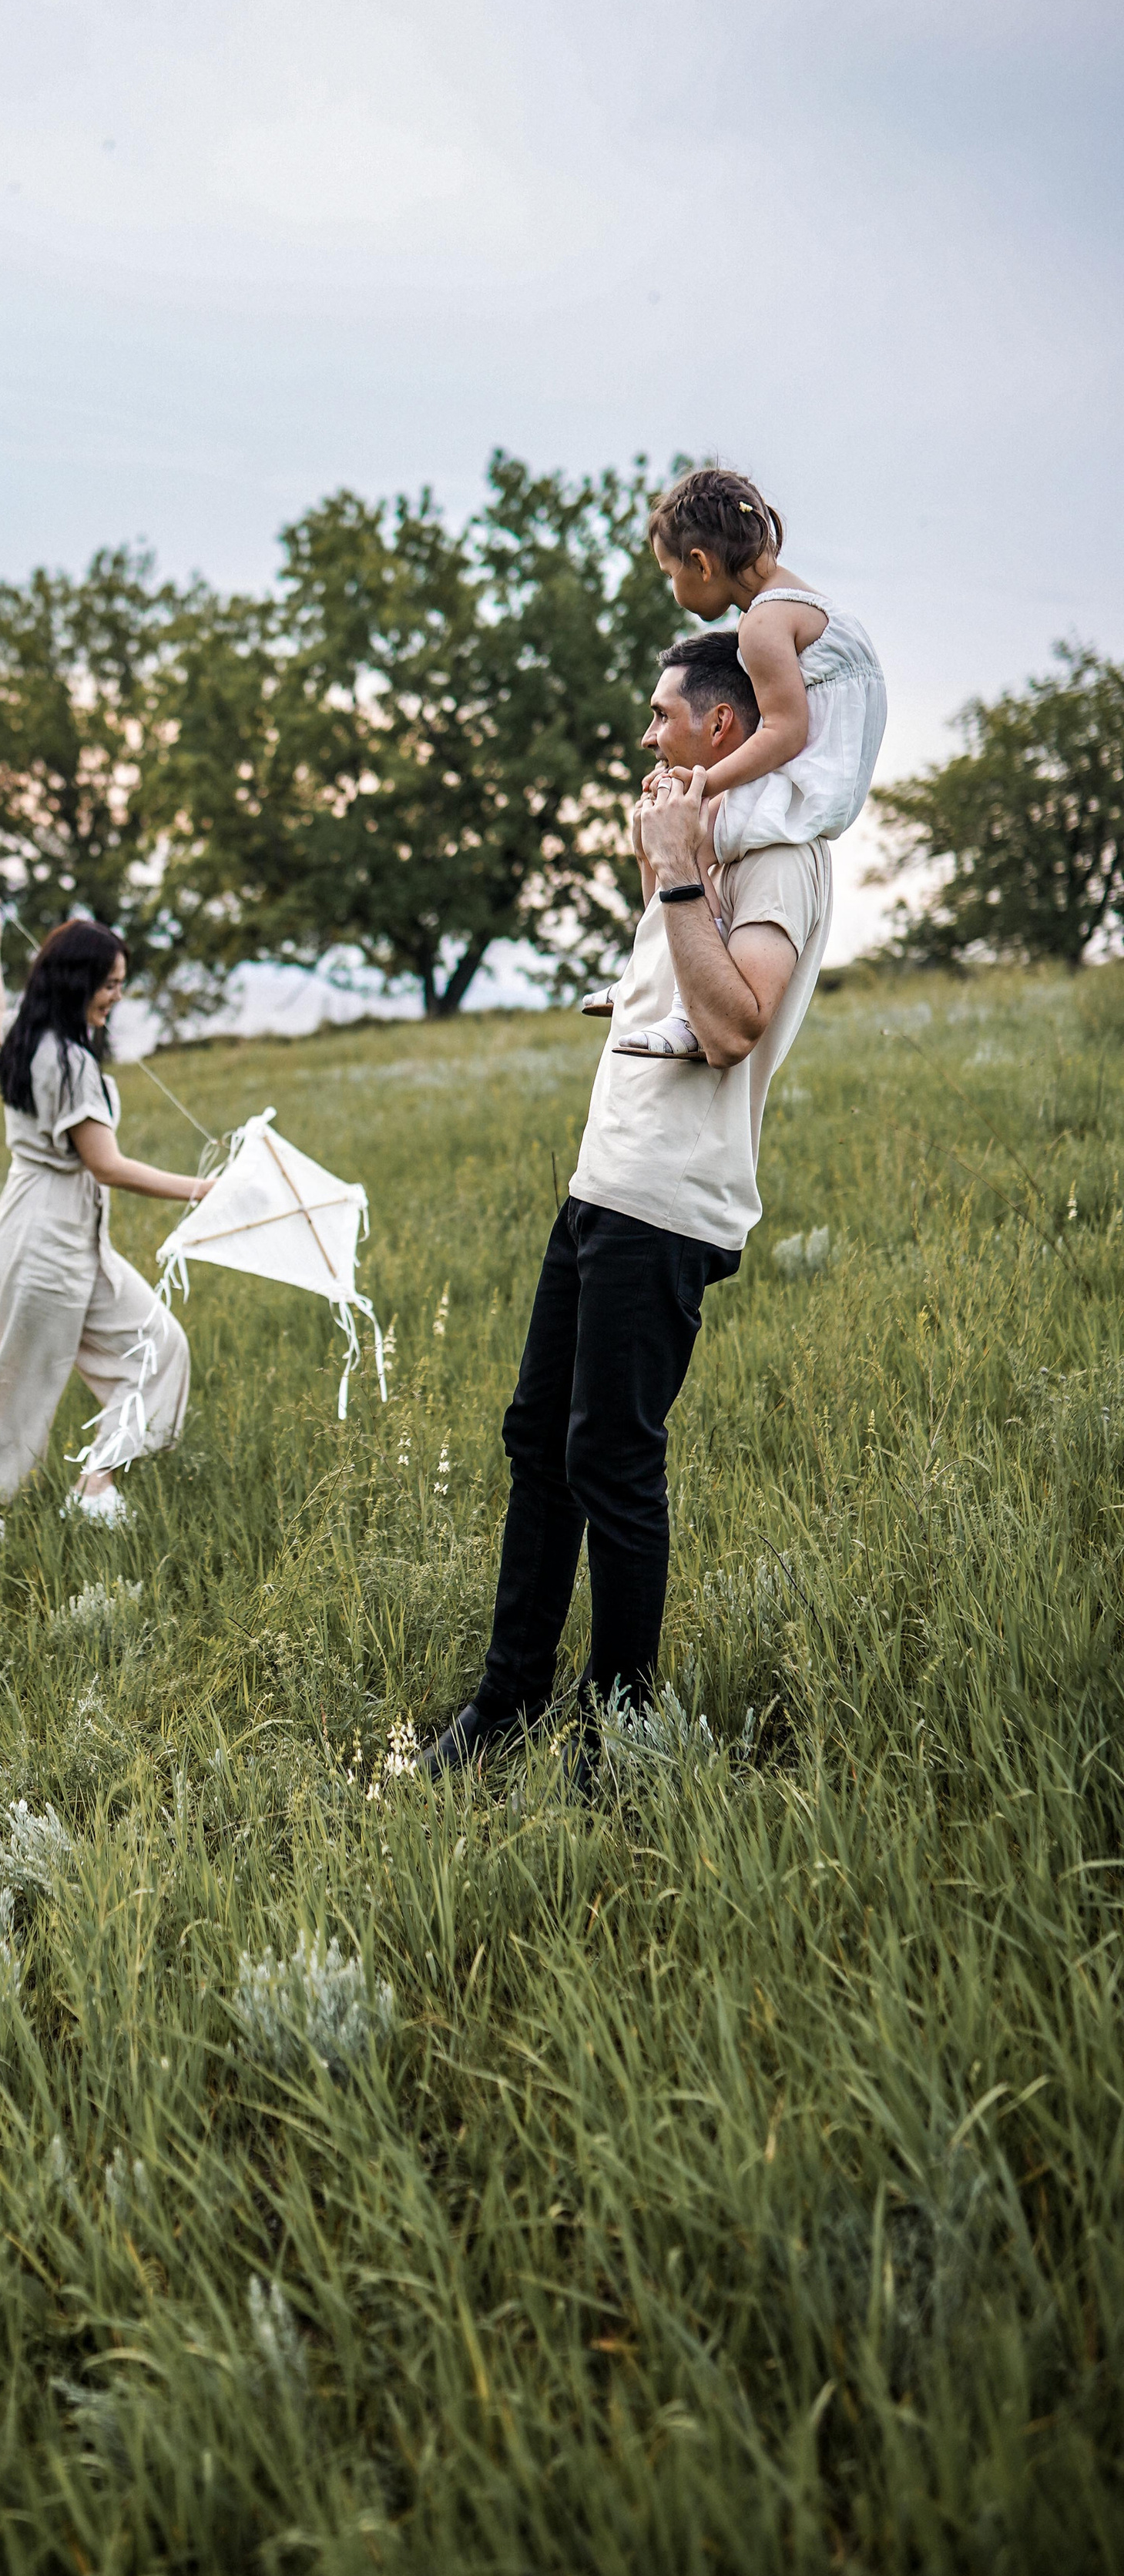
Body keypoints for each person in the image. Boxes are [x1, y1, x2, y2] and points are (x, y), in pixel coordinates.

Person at [421, 626, 832, 1779]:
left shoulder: (779, 855)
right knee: (538, 1442)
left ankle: (618, 1736)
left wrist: (680, 873)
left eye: (663, 715)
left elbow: (735, 1023)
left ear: (723, 724)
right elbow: (681, 992)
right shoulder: (709, 834)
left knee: (613, 1459)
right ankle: (506, 1707)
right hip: (604, 1180)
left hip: (669, 1203)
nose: (647, 735)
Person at [596, 464, 886, 1062]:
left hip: (802, 786)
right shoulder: (813, 608)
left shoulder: (762, 626)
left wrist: (699, 785)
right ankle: (646, 982)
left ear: (701, 563)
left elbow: (784, 731)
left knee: (694, 837)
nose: (673, 589)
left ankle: (680, 1008)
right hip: (826, 783)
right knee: (692, 835)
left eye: (670, 573)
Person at [0, 903, 213, 1528]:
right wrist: (202, 1188)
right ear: (77, 982)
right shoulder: (68, 1062)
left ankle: (94, 1489)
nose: (117, 996)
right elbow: (106, 1164)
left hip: (69, 1237)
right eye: (111, 983)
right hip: (43, 1240)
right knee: (21, 1380)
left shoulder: (28, 1036)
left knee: (158, 1346)